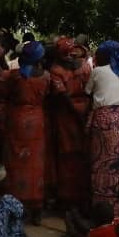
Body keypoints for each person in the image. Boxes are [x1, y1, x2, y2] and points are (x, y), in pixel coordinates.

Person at [3, 41, 51, 224]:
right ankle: (36, 207)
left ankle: (15, 204)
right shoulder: (46, 77)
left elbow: (6, 95)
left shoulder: (13, 76)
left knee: (15, 163)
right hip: (37, 122)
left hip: (16, 120)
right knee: (36, 165)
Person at [86, 41, 119, 213]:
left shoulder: (97, 72)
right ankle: (117, 208)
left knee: (101, 163)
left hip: (103, 120)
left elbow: (87, 91)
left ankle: (100, 209)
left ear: (103, 56)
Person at [50, 37, 92, 209]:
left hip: (70, 115)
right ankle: (73, 197)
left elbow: (63, 95)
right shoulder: (84, 67)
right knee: (73, 154)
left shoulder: (57, 70)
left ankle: (72, 197)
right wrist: (82, 113)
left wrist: (78, 113)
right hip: (73, 115)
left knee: (72, 155)